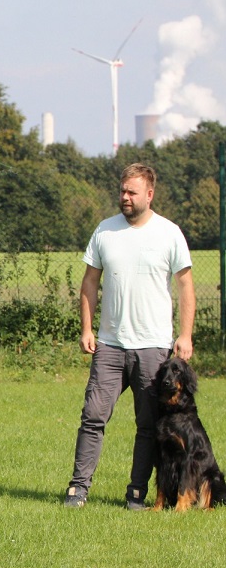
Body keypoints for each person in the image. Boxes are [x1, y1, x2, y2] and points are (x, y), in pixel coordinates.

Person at [64, 163, 194, 510]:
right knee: (93, 417)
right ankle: (78, 490)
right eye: (122, 190)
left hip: (153, 346)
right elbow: (90, 281)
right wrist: (88, 329)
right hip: (109, 345)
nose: (124, 196)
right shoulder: (105, 231)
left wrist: (184, 335)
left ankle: (136, 493)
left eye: (131, 192)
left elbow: (185, 286)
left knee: (149, 425)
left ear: (149, 195)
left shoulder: (169, 234)